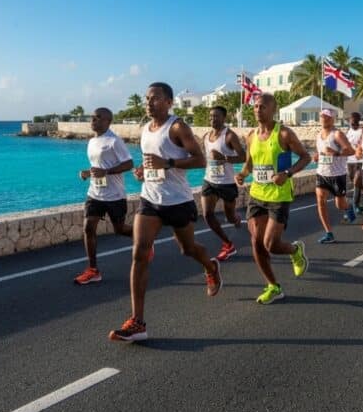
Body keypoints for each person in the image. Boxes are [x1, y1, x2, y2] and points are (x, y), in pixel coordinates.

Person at [109, 83, 222, 342]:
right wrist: (142, 171)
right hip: (150, 199)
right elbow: (151, 161)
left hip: (178, 201)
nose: (149, 103)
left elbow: (200, 160)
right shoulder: (145, 130)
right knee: (139, 253)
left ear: (169, 102)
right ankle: (137, 323)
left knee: (188, 249)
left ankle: (210, 266)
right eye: (147, 99)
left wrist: (168, 163)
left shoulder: (177, 127)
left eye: (155, 98)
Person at [236, 93, 311, 304]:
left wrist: (287, 173)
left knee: (270, 244)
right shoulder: (251, 136)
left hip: (279, 196)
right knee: (256, 242)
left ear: (273, 110)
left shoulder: (284, 134)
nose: (257, 110)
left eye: (262, 107)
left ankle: (295, 250)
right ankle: (273, 286)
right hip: (256, 195)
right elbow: (250, 163)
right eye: (255, 106)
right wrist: (242, 174)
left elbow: (305, 157)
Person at [75, 107, 135, 285]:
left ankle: (143, 239)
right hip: (95, 193)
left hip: (114, 195)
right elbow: (98, 166)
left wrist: (106, 172)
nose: (93, 120)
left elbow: (129, 164)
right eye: (92, 117)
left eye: (98, 118)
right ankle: (93, 270)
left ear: (108, 121)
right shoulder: (92, 141)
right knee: (88, 228)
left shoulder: (115, 141)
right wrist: (88, 173)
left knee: (119, 229)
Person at [201, 106, 247, 261]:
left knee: (230, 217)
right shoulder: (206, 137)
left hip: (226, 183)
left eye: (216, 116)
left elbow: (243, 157)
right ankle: (228, 244)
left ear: (224, 118)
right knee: (207, 215)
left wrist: (224, 158)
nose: (213, 119)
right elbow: (204, 158)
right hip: (209, 181)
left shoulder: (229, 136)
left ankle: (236, 218)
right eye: (211, 116)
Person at [313, 108, 356, 243]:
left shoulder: (337, 134)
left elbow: (351, 151)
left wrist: (336, 153)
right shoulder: (318, 135)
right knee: (320, 201)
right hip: (321, 173)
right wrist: (317, 156)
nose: (324, 119)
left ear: (333, 119)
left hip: (337, 175)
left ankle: (348, 207)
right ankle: (329, 233)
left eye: (327, 117)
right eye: (322, 116)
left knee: (339, 204)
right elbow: (321, 152)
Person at [346, 113, 363, 214]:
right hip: (350, 161)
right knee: (357, 183)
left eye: (354, 122)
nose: (352, 123)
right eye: (351, 121)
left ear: (358, 120)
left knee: (357, 182)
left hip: (360, 161)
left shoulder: (362, 131)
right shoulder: (348, 131)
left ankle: (355, 205)